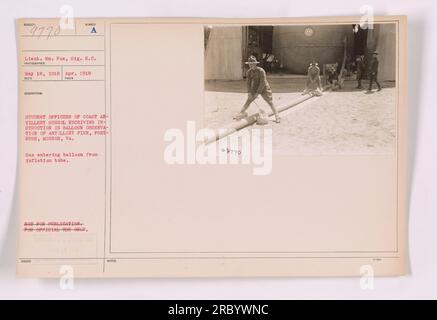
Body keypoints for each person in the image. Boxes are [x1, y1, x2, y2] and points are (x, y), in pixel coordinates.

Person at [233, 55, 280, 124]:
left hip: (264, 88)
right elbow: (248, 83)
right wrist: (249, 92)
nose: (250, 66)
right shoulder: (249, 72)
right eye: (249, 64)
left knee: (269, 101)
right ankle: (241, 113)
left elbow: (262, 82)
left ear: (255, 64)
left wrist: (257, 93)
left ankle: (277, 115)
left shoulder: (261, 71)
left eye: (252, 64)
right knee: (248, 101)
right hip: (254, 87)